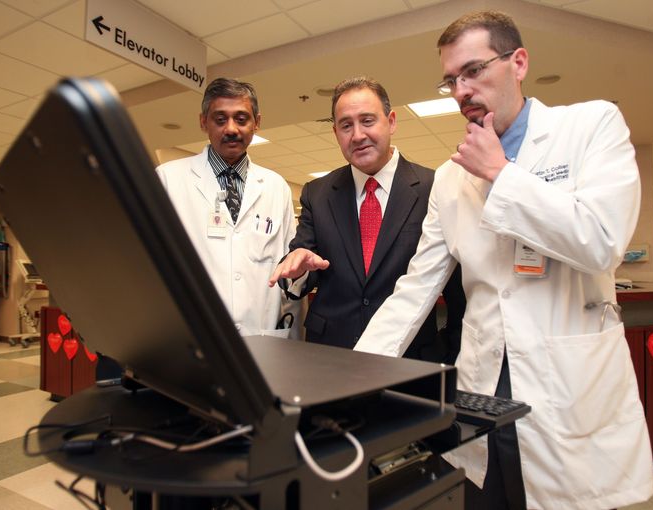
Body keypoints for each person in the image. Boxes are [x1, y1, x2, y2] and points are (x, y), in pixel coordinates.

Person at [354, 11, 653, 510]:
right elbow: (416, 287)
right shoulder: (451, 180)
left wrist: (502, 173)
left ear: (518, 63)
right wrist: (354, 372)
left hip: (569, 385)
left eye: (474, 71)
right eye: (451, 79)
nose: (461, 90)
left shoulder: (590, 125)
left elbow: (602, 241)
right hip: (486, 389)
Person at [269, 77, 465, 362]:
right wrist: (298, 270)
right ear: (336, 133)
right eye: (346, 125)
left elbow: (457, 292)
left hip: (410, 358)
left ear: (392, 122)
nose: (357, 135)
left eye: (368, 121)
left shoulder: (434, 187)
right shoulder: (318, 193)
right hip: (330, 356)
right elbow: (302, 264)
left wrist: (448, 356)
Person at [157, 77, 299, 339]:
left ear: (257, 122)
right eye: (220, 119)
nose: (231, 128)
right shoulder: (167, 179)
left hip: (261, 337)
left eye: (241, 119)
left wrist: (294, 342)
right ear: (203, 122)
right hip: (190, 339)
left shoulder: (276, 187)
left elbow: (290, 272)